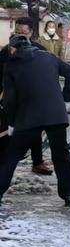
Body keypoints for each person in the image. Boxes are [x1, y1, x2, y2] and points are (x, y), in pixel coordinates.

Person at [0, 35, 70, 206]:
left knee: (12, 156)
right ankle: (69, 195)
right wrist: (65, 100)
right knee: (61, 155)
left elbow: (9, 99)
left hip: (28, 117)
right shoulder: (48, 56)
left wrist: (12, 123)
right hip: (55, 115)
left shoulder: (11, 65)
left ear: (13, 49)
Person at [0, 18, 52, 175]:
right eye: (17, 32)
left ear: (31, 33)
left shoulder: (39, 51)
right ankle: (4, 161)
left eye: (24, 33)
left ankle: (37, 161)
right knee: (6, 129)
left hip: (31, 98)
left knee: (34, 129)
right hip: (8, 96)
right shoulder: (5, 51)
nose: (20, 36)